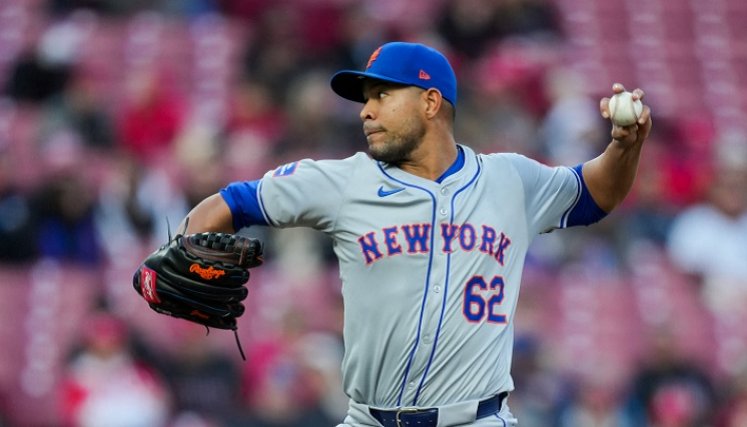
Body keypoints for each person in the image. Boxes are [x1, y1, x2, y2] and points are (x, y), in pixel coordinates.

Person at [167, 42, 652, 426]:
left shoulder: (510, 180)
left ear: (430, 101)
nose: (365, 111)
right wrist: (173, 257)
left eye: (382, 95)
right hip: (369, 419)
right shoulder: (343, 181)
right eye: (365, 99)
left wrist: (624, 146)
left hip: (477, 418)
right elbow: (229, 203)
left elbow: (595, 194)